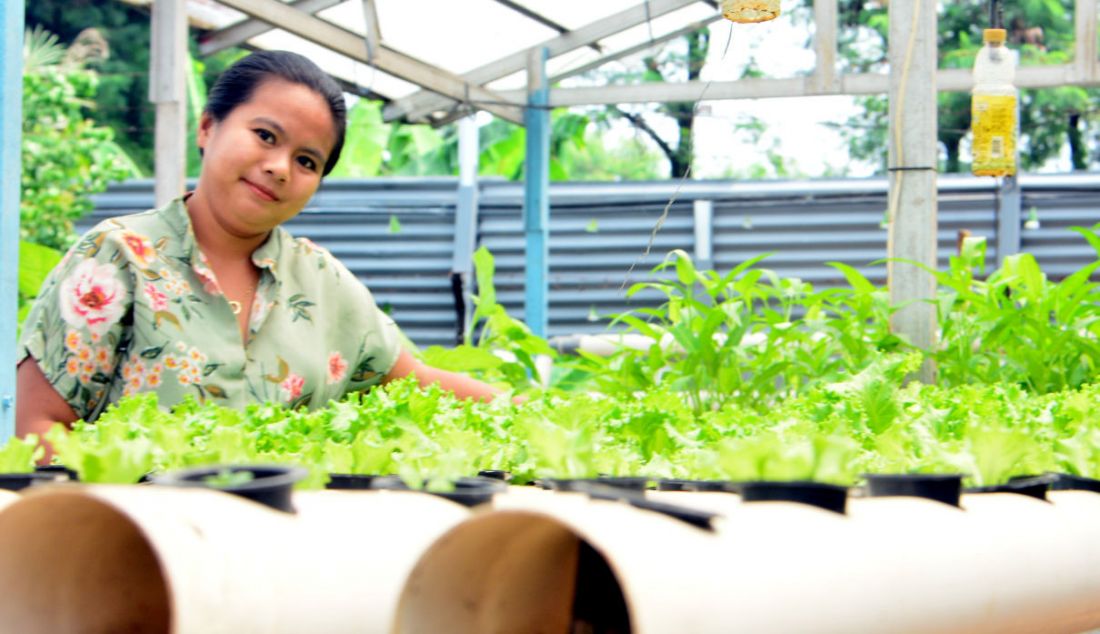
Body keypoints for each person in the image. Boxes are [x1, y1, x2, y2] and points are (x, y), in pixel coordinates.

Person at [16, 50, 504, 442]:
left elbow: (409, 378)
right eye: (265, 135)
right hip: (132, 549)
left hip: (275, 551)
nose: (280, 167)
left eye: (307, 161)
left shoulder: (322, 282)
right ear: (208, 127)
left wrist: (524, 410)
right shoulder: (116, 257)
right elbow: (37, 425)